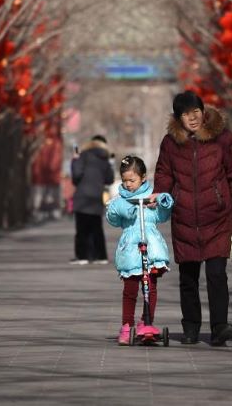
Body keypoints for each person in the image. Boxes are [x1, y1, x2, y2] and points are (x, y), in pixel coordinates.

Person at [150, 90, 232, 346]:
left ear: (203, 111)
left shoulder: (222, 138)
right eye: (186, 114)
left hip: (218, 218)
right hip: (184, 218)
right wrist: (159, 194)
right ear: (178, 118)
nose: (192, 118)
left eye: (196, 111)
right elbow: (163, 173)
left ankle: (219, 327)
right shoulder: (170, 143)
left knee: (217, 274)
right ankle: (191, 327)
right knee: (188, 277)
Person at [105, 155, 173, 345]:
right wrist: (124, 208)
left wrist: (163, 201)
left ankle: (146, 322)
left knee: (150, 287)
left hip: (150, 248)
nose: (128, 184)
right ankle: (127, 325)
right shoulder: (120, 199)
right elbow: (113, 218)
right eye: (125, 180)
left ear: (143, 177)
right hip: (130, 250)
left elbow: (162, 216)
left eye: (132, 180)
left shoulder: (151, 195)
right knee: (130, 289)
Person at [70, 135, 114, 265]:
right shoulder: (105, 158)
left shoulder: (83, 156)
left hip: (82, 197)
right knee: (97, 228)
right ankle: (100, 256)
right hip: (96, 196)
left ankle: (83, 256)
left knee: (82, 229)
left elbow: (76, 175)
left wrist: (74, 160)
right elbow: (109, 179)